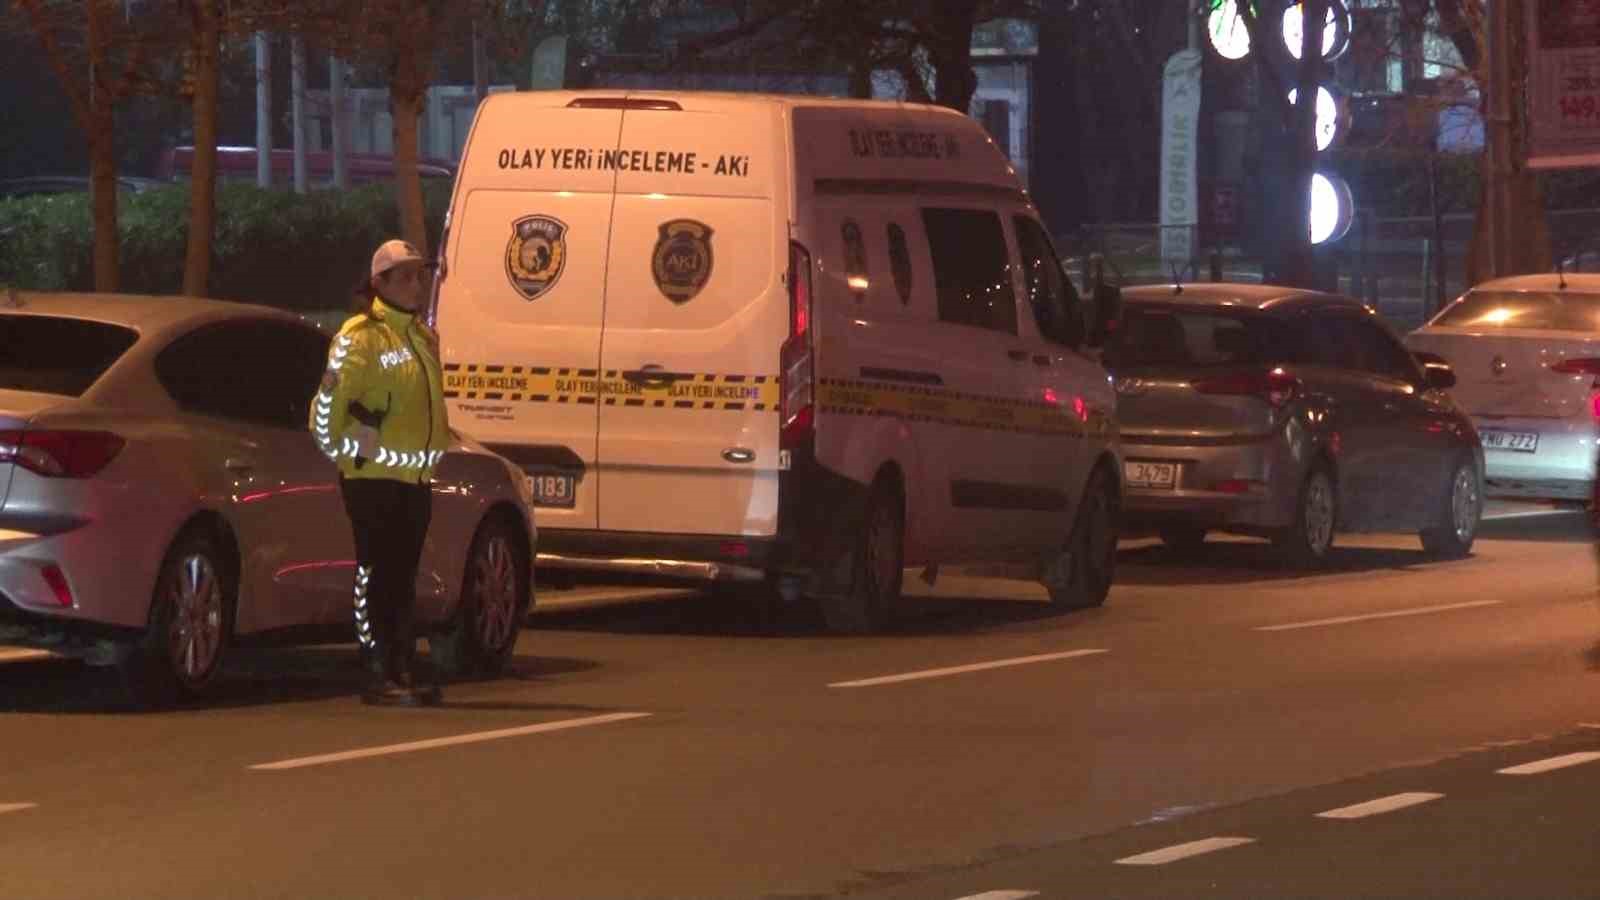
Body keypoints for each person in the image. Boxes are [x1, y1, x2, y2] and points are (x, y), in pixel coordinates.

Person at [310, 239, 450, 706]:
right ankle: (378, 668)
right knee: (375, 573)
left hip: (414, 478)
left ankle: (402, 665)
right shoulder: (360, 337)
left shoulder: (421, 336)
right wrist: (349, 450)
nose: (417, 283)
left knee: (402, 575)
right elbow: (327, 407)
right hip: (372, 480)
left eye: (419, 274)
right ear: (379, 283)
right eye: (406, 276)